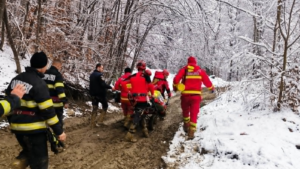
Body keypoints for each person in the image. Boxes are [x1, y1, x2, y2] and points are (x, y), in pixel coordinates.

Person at [5, 51, 66, 169]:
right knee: (40, 163)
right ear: (44, 66)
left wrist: (13, 121)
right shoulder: (39, 84)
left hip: (17, 129)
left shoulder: (16, 79)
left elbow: (9, 103)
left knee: (28, 150)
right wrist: (59, 131)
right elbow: (48, 111)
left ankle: (19, 162)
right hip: (34, 131)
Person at [173, 56, 214, 139]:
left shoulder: (184, 69)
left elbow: (176, 79)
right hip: (196, 96)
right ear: (195, 63)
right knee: (194, 113)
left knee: (185, 110)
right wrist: (211, 88)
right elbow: (207, 81)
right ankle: (191, 131)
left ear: (188, 62)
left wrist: (175, 87)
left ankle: (186, 125)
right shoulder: (200, 71)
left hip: (185, 96)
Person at [124, 60, 154, 142]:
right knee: (138, 116)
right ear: (144, 67)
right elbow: (151, 86)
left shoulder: (132, 76)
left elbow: (125, 84)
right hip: (142, 100)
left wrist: (130, 91)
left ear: (137, 67)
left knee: (140, 114)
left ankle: (145, 131)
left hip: (134, 100)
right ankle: (129, 135)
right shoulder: (146, 77)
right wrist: (152, 94)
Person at [43, 59, 68, 128]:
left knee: (46, 123)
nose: (60, 68)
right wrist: (64, 101)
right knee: (57, 124)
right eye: (60, 67)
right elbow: (59, 89)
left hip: (45, 103)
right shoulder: (57, 75)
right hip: (56, 105)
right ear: (58, 65)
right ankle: (58, 137)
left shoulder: (44, 73)